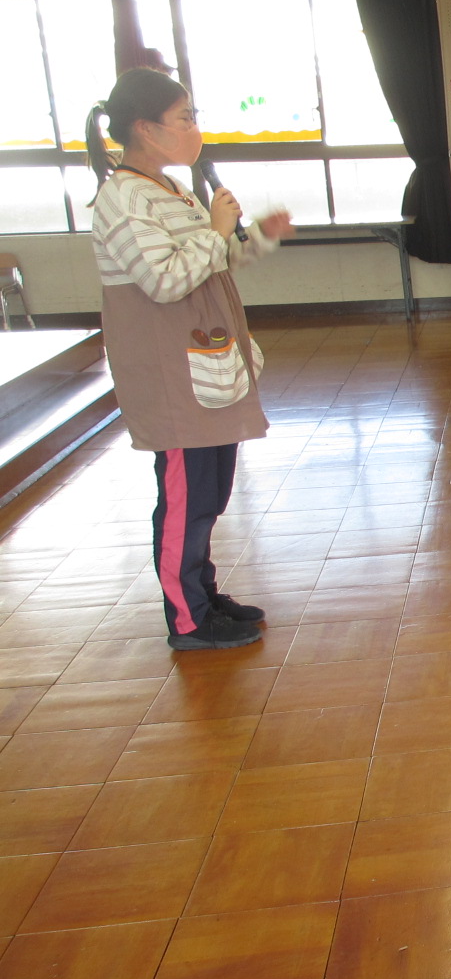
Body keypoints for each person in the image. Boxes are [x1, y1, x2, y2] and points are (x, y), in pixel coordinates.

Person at [87, 68, 293, 650]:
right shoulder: (121, 198)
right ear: (146, 130)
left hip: (204, 367)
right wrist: (219, 229)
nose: (195, 129)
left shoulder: (168, 189)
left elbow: (210, 263)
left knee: (208, 493)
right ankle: (188, 619)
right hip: (171, 376)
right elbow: (164, 279)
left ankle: (202, 593)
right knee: (184, 497)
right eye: (186, 118)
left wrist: (254, 238)